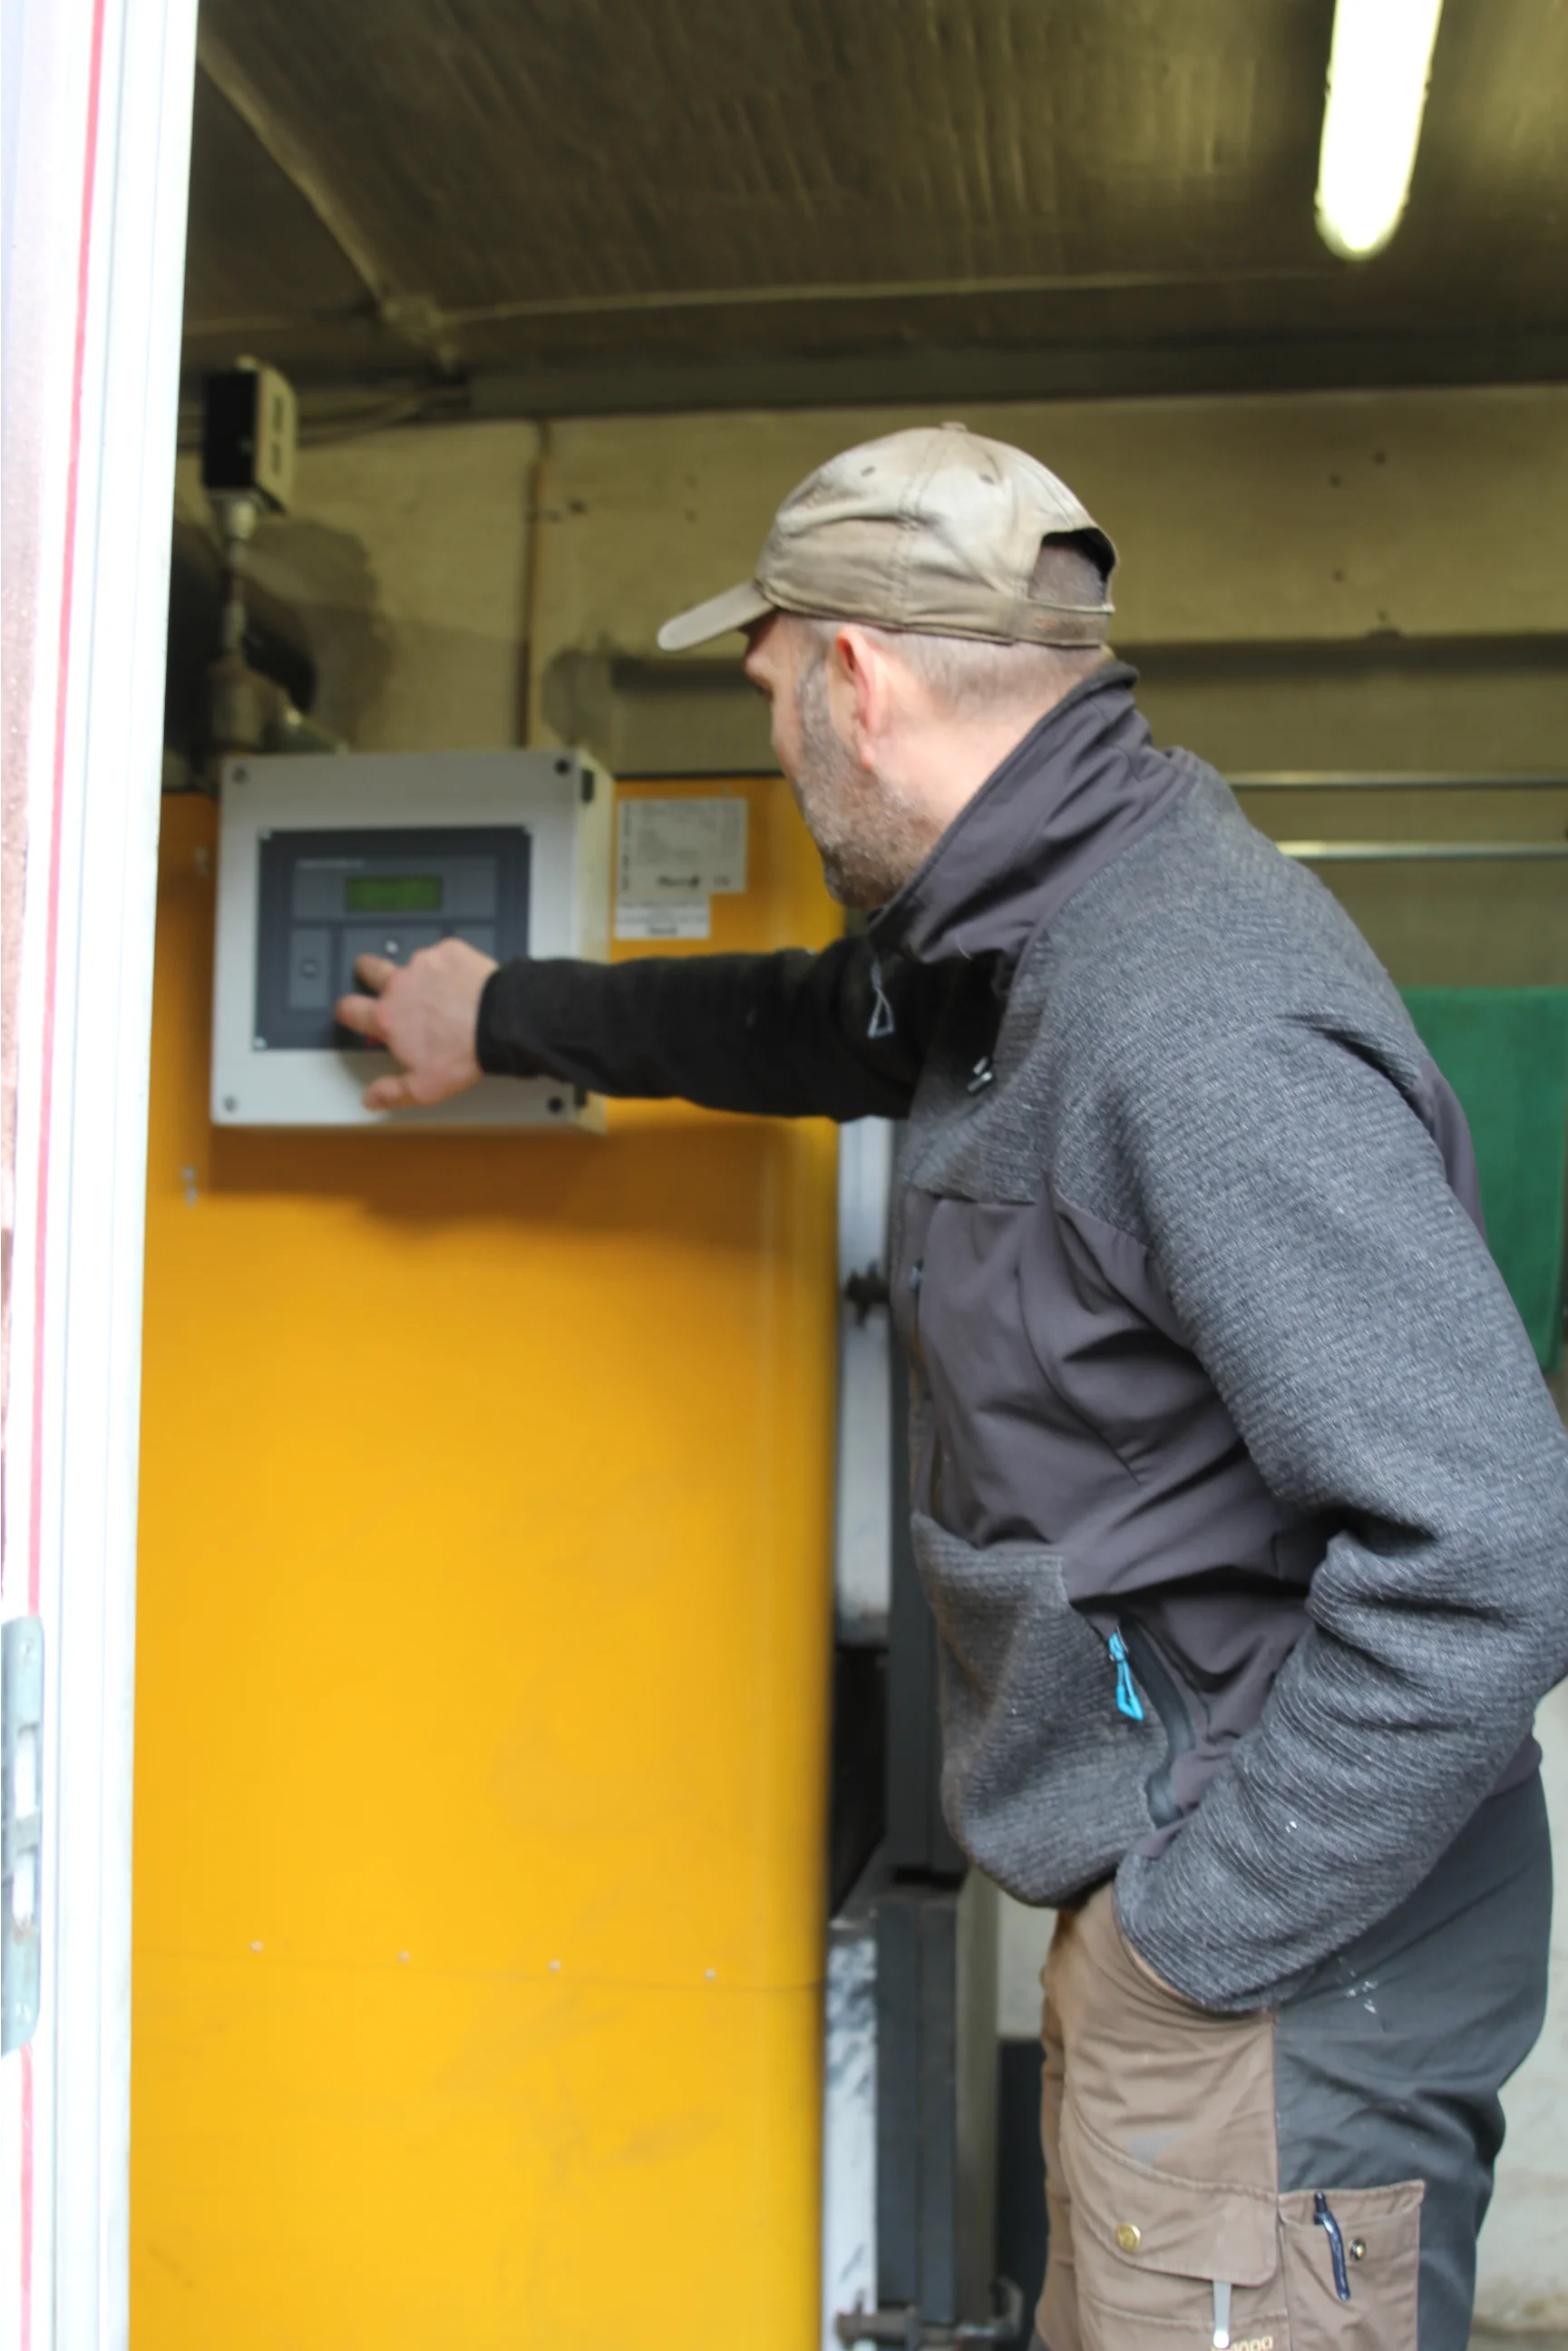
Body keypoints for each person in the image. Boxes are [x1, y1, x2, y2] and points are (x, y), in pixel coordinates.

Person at [336, 424, 1568, 2351]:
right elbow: (808, 1022)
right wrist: (498, 1012)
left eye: (771, 698)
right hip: (1219, 1926)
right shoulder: (1020, 941)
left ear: (855, 680)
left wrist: (1183, 1941)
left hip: (1283, 1977)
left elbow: (1487, 1554)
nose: (778, 750)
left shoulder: (1191, 1017)